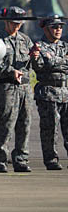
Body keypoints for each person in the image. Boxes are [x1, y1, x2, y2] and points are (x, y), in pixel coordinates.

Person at [0, 6, 39, 173]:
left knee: (25, 123)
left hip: (25, 87)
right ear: (6, 22)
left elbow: (33, 63)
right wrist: (12, 71)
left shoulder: (25, 40)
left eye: (19, 23)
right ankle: (1, 160)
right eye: (13, 23)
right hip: (8, 86)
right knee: (6, 122)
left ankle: (21, 159)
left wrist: (35, 58)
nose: (16, 26)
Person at [32, 15, 68, 170]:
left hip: (65, 91)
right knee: (50, 129)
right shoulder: (39, 46)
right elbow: (40, 66)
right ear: (46, 29)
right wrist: (62, 61)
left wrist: (53, 61)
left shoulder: (65, 46)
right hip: (48, 92)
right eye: (54, 27)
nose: (58, 30)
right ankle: (51, 159)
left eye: (60, 27)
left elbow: (51, 63)